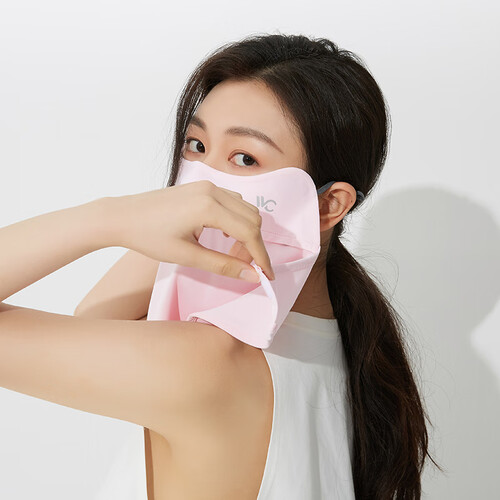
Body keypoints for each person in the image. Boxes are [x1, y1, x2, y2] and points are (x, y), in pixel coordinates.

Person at [0, 33, 443, 499]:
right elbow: (96, 316)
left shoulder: (207, 364)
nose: (201, 184)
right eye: (196, 145)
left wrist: (107, 217)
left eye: (245, 158)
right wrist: (180, 217)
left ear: (328, 204)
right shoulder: (335, 347)